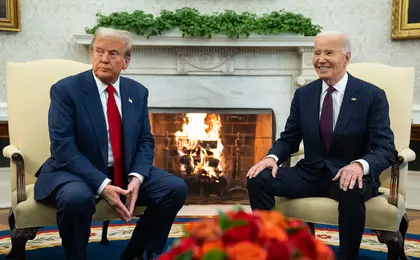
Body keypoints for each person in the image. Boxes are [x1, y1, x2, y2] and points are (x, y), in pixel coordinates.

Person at [34, 27, 188, 260]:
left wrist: (137, 177)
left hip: (122, 169)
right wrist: (102, 184)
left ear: (126, 61)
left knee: (174, 188)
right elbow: (63, 148)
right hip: (75, 172)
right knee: (76, 198)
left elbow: (145, 140)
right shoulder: (65, 90)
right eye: (99, 51)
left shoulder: (137, 92)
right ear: (92, 54)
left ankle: (133, 253)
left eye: (113, 53)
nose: (104, 59)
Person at [246, 31, 397, 260]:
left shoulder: (371, 95)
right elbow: (289, 137)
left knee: (351, 188)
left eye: (329, 52)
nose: (321, 59)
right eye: (317, 53)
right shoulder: (304, 94)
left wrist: (359, 165)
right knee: (258, 178)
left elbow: (386, 148)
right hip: (310, 173)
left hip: (349, 176)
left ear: (346, 58)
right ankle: (269, 250)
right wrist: (271, 158)